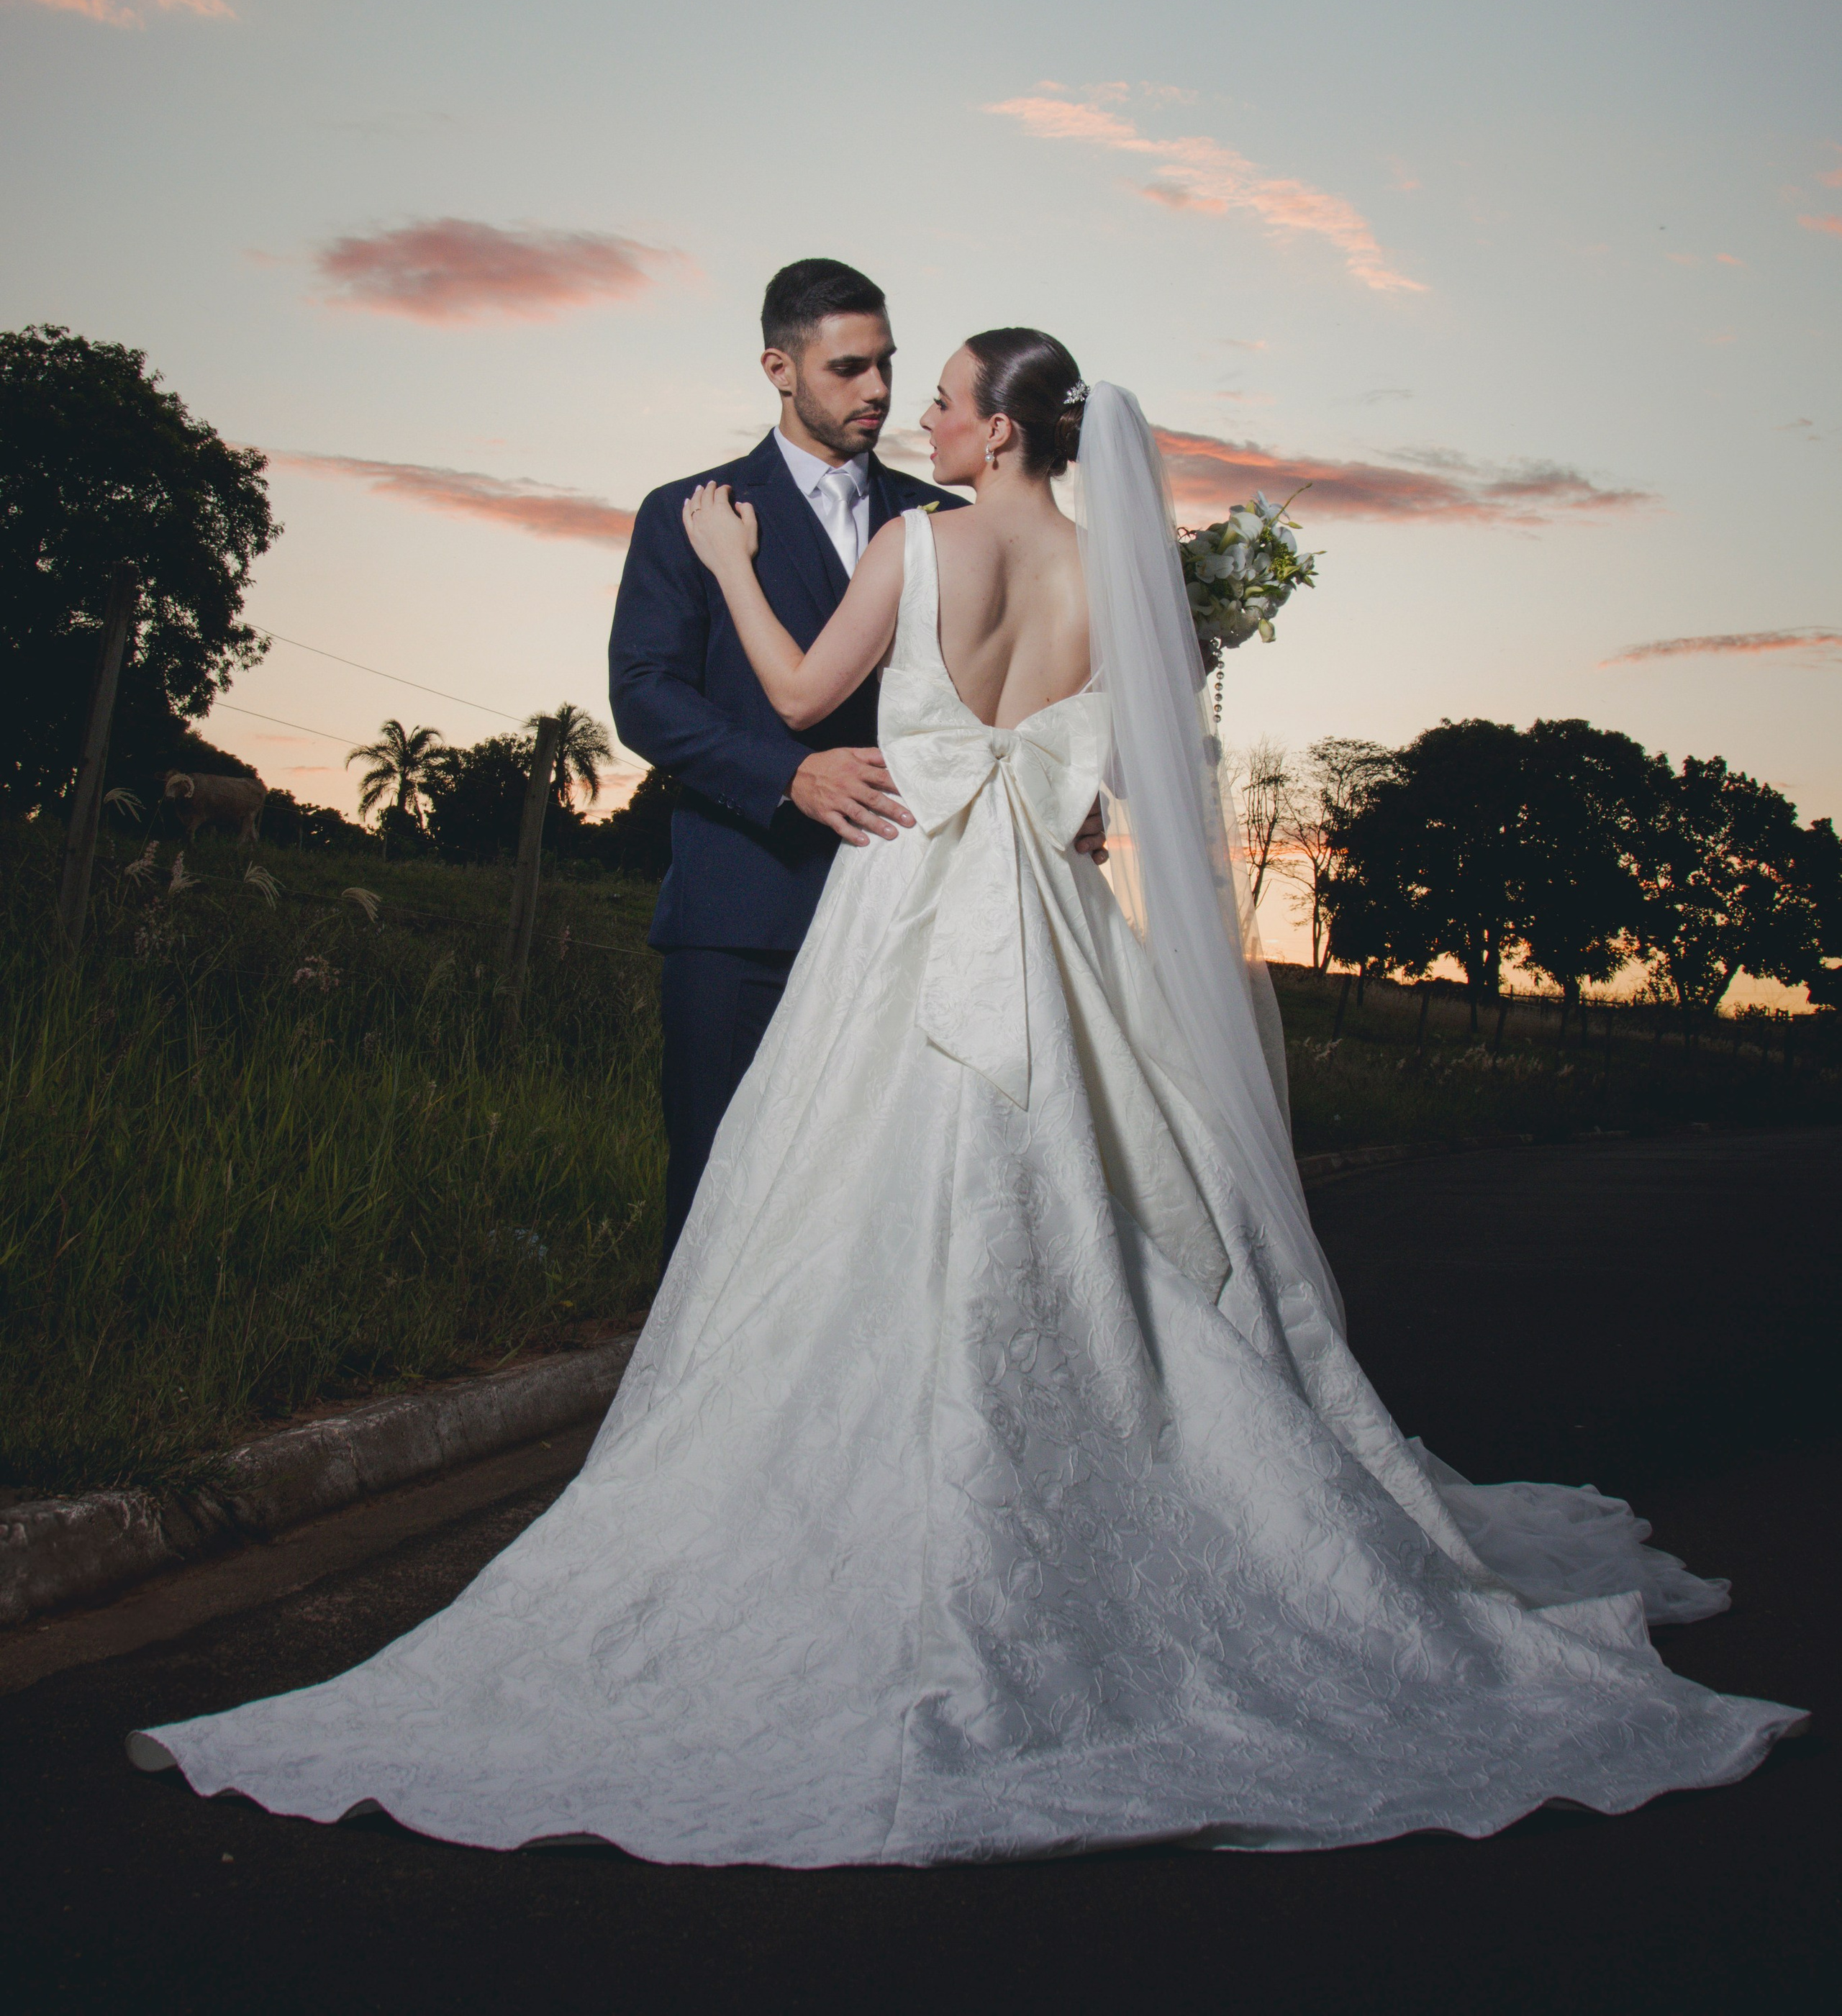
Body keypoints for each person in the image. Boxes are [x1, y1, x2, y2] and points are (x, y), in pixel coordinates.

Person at [130, 332, 1804, 1863]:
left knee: (838, 1197)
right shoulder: (1125, 581)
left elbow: (799, 701)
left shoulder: (913, 545)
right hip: (1055, 926)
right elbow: (1136, 775)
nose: (920, 418)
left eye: (941, 398)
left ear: (999, 431)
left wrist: (729, 563)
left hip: (906, 906)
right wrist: (1073, 777)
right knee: (1104, 1206)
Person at [607, 258, 959, 1259]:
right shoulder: (688, 512)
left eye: (887, 363)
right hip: (743, 913)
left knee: (882, 1220)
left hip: (909, 915)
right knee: (719, 1203)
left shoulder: (943, 523)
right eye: (849, 368)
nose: (878, 390)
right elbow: (644, 694)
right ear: (779, 368)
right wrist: (787, 776)